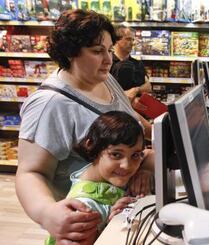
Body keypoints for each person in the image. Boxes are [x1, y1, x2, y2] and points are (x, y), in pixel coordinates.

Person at [16, 9, 154, 245]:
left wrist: (141, 167)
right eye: (97, 51)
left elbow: (129, 127)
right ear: (70, 52)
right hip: (87, 226)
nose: (109, 60)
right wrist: (47, 213)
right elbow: (30, 172)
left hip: (120, 213)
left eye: (109, 50)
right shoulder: (50, 104)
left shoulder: (106, 79)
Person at [46, 111, 145, 245]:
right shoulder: (83, 208)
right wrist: (112, 227)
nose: (126, 166)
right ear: (92, 146)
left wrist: (146, 171)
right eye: (116, 154)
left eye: (135, 155)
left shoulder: (97, 173)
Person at [110, 25, 151, 102]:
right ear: (116, 40)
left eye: (133, 40)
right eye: (128, 39)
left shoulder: (138, 64)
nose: (132, 43)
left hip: (135, 111)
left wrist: (136, 90)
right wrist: (124, 95)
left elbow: (148, 87)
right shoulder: (107, 62)